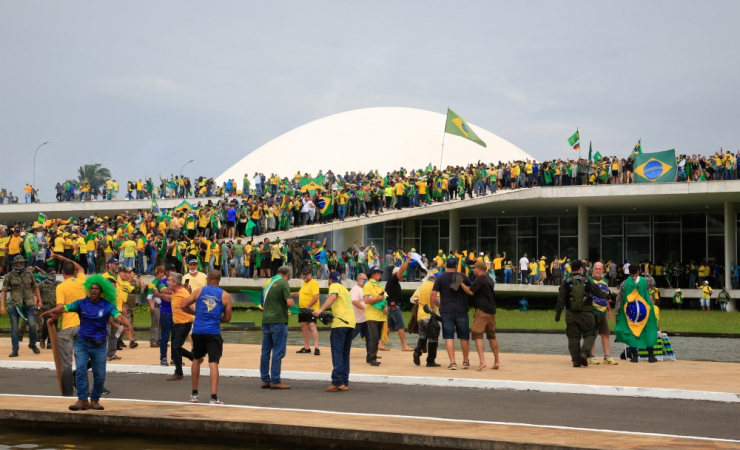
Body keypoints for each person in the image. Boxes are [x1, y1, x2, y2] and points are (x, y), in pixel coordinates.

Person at [41, 275, 132, 411]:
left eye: (97, 289)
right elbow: (64, 308)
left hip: (99, 345)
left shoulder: (107, 305)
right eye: (92, 288)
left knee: (100, 375)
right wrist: (51, 312)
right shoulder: (81, 303)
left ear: (101, 291)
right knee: (81, 371)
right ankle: (82, 400)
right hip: (82, 343)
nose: (94, 291)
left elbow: (119, 316)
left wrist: (128, 324)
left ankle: (95, 400)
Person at [180, 270, 232, 404]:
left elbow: (183, 305)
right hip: (213, 331)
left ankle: (194, 394)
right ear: (219, 280)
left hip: (198, 331)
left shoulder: (199, 291)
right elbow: (227, 318)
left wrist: (194, 312)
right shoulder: (225, 295)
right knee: (213, 362)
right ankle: (214, 397)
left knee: (196, 359)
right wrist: (217, 318)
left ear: (208, 279)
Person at [555, 259, 608, 367]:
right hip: (587, 314)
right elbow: (599, 294)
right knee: (591, 333)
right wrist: (609, 294)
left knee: (573, 337)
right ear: (581, 269)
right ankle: (585, 353)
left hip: (571, 314)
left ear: (571, 269)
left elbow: (560, 300)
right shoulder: (587, 281)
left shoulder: (566, 281)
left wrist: (558, 315)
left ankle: (575, 360)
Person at [313, 271, 355, 392]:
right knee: (345, 355)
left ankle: (337, 381)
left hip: (340, 323)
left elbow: (333, 297)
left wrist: (320, 310)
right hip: (351, 323)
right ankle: (344, 382)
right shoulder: (345, 290)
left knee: (337, 352)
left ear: (330, 280)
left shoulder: (334, 286)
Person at [52, 254, 86, 396]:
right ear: (74, 272)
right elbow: (81, 268)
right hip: (83, 325)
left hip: (67, 326)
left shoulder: (61, 287)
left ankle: (67, 393)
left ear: (62, 273)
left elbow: (60, 308)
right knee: (82, 360)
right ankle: (83, 389)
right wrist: (65, 259)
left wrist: (52, 319)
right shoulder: (82, 281)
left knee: (66, 362)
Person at [431, 257, 472, 370]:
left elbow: (433, 294)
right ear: (456, 266)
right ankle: (465, 361)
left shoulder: (440, 278)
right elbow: (471, 289)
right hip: (461, 309)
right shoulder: (462, 276)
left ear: (445, 266)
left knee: (449, 336)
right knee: (464, 336)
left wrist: (432, 307)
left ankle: (453, 363)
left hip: (446, 309)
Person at [460, 261, 499, 371]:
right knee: (491, 336)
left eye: (474, 268)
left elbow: (470, 291)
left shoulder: (480, 279)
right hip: (492, 310)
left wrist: (461, 283)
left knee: (477, 334)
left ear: (479, 269)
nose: (473, 270)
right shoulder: (490, 279)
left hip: (482, 310)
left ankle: (482, 362)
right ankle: (497, 361)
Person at [1, 255, 42, 357]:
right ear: (14, 264)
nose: (19, 265)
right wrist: (2, 305)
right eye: (17, 263)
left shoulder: (29, 274)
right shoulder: (9, 275)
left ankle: (32, 344)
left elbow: (35, 287)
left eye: (21, 263)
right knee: (14, 329)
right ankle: (15, 349)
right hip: (15, 305)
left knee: (33, 325)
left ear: (24, 263)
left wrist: (39, 301)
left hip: (28, 304)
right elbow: (4, 291)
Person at [260, 265, 294, 389]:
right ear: (287, 275)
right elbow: (289, 303)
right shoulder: (283, 283)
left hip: (266, 319)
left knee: (265, 351)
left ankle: (265, 379)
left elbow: (262, 301)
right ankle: (275, 380)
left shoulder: (267, 282)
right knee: (278, 350)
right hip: (279, 319)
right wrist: (292, 301)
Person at [587, 262, 617, 365]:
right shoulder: (588, 281)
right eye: (596, 268)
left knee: (605, 334)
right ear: (592, 270)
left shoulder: (604, 281)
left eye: (600, 269)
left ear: (603, 271)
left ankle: (607, 356)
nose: (598, 270)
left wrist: (609, 310)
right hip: (592, 311)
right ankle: (591, 356)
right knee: (592, 334)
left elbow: (606, 297)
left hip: (603, 311)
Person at [411, 269, 442, 367]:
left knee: (423, 336)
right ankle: (430, 361)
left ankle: (417, 352)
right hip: (431, 316)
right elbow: (437, 301)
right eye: (437, 277)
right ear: (434, 277)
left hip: (420, 315)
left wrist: (422, 303)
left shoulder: (421, 286)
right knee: (433, 339)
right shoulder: (435, 286)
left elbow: (412, 299)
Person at [167, 272, 195, 381]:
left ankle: (179, 372)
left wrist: (199, 315)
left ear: (174, 282)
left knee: (175, 347)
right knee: (175, 347)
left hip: (184, 324)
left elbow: (191, 306)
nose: (167, 282)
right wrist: (159, 295)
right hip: (177, 323)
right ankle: (194, 358)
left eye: (169, 280)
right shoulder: (175, 293)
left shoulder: (184, 293)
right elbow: (169, 298)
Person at [385, 254, 414, 351]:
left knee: (389, 327)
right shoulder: (393, 280)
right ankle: (404, 346)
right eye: (401, 274)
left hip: (390, 306)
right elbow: (401, 270)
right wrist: (407, 261)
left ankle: (379, 343)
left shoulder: (392, 282)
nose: (402, 275)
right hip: (394, 307)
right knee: (400, 326)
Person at [362, 266, 387, 366]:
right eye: (376, 273)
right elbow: (366, 300)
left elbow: (385, 298)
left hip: (381, 315)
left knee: (377, 337)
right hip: (372, 315)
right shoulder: (368, 285)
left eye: (380, 273)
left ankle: (370, 356)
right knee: (374, 337)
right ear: (372, 274)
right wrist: (378, 299)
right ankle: (372, 358)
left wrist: (386, 306)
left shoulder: (380, 285)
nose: (379, 274)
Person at [294, 266, 320, 355]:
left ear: (310, 274)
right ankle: (307, 347)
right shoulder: (304, 284)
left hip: (310, 309)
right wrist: (291, 294)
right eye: (303, 274)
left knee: (312, 326)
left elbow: (316, 297)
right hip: (302, 309)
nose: (304, 276)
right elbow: (301, 294)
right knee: (304, 327)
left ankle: (316, 348)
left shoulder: (314, 283)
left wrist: (308, 306)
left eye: (306, 274)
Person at [350, 272, 368, 348]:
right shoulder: (355, 289)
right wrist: (363, 308)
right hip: (357, 320)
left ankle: (371, 356)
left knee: (370, 337)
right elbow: (354, 301)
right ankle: (340, 350)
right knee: (350, 336)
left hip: (367, 319)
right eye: (365, 279)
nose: (366, 281)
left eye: (367, 279)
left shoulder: (366, 289)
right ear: (359, 279)